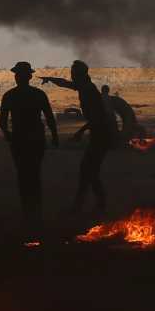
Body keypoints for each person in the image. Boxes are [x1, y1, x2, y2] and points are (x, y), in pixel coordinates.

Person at [41, 60, 113, 214]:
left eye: (73, 73)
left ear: (79, 74)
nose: (71, 76)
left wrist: (80, 132)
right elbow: (65, 83)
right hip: (99, 133)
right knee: (88, 169)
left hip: (101, 134)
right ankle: (89, 203)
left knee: (88, 169)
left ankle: (93, 204)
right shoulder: (84, 86)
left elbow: (98, 118)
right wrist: (50, 79)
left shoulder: (88, 89)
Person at [0, 62, 58, 230]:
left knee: (23, 175)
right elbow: (49, 118)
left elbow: (2, 122)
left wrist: (8, 136)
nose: (18, 77)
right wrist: (54, 136)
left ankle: (27, 210)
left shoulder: (9, 95)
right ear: (30, 77)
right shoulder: (38, 94)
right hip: (36, 140)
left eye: (19, 74)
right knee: (34, 174)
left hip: (19, 140)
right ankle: (35, 211)